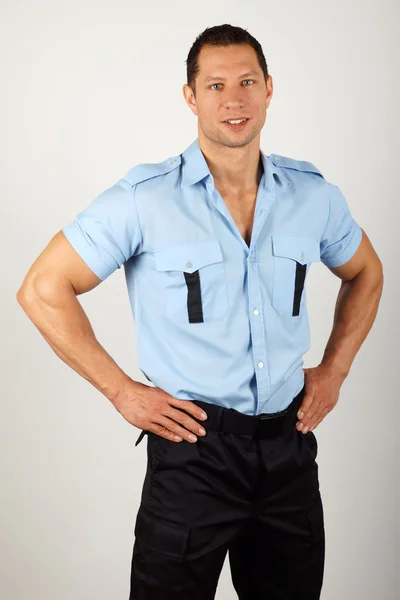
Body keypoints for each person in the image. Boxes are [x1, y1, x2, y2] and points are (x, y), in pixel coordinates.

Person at [16, 23, 383, 600]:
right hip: (193, 455)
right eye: (215, 85)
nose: (233, 99)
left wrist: (335, 369)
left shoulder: (314, 196)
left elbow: (367, 272)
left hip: (288, 451)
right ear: (190, 96)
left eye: (246, 82)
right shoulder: (144, 199)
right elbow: (42, 288)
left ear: (268, 89)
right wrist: (120, 391)